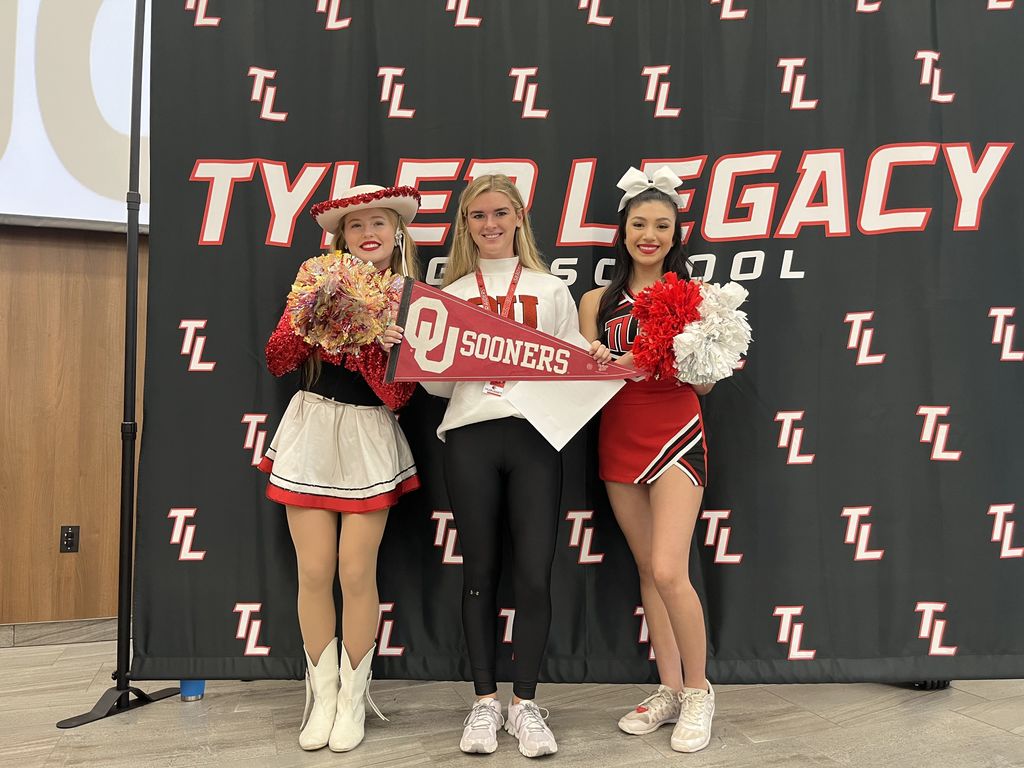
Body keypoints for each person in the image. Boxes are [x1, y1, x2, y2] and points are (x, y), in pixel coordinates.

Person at [417, 174, 610, 758]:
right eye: (478, 216)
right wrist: (420, 348)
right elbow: (436, 385)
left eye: (501, 213)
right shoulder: (448, 292)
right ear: (465, 225)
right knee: (479, 572)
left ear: (520, 217)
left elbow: (569, 367)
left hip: (533, 439)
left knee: (532, 573)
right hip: (471, 435)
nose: (490, 224)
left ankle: (525, 703)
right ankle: (483, 702)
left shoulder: (552, 289)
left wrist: (594, 356)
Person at [258, 184, 420, 753]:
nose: (368, 232)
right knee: (313, 571)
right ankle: (321, 698)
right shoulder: (315, 281)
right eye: (355, 225)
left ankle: (354, 699)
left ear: (397, 232)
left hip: (368, 438)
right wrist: (313, 317)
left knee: (356, 573)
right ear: (340, 237)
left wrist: (370, 336)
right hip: (311, 430)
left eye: (379, 222)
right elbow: (278, 359)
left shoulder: (411, 298)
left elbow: (397, 397)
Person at [577, 167, 716, 753]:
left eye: (662, 225)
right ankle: (668, 688)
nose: (649, 235)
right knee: (645, 572)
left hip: (677, 432)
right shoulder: (594, 300)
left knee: (668, 569)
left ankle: (701, 692)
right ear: (624, 230)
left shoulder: (693, 297)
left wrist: (675, 356)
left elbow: (706, 385)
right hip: (619, 438)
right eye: (639, 224)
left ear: (677, 233)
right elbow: (586, 381)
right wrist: (595, 361)